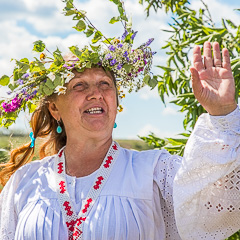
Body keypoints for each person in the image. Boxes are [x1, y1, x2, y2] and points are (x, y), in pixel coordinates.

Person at [0, 1, 240, 239]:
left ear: (115, 102)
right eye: (79, 85)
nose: (95, 93)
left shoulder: (154, 172)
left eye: (105, 84)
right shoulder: (26, 181)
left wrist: (222, 114)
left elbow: (212, 210)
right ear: (54, 108)